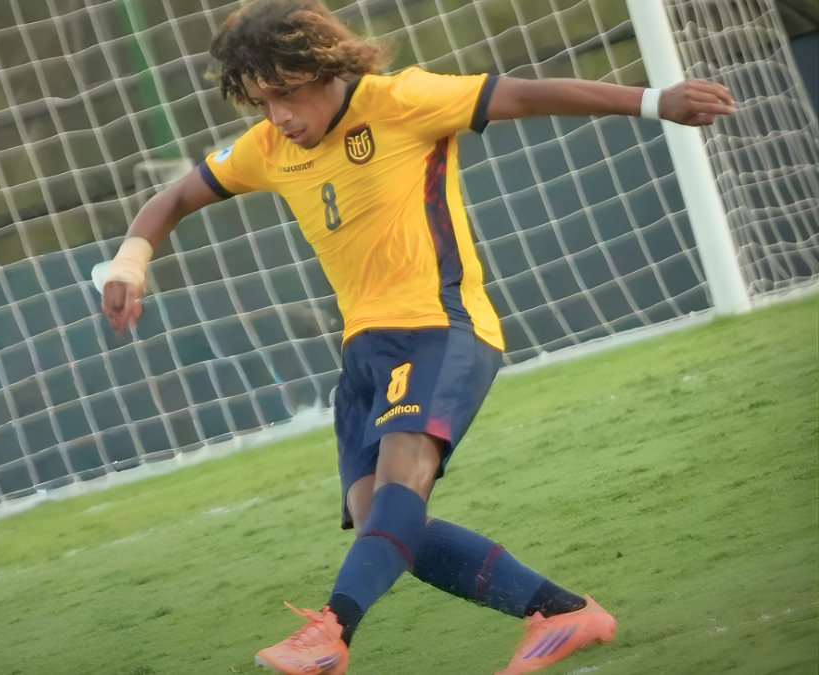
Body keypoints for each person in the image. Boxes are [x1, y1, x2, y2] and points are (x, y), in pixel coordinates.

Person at [99, 1, 735, 673]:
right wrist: (130, 263)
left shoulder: (403, 100)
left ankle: (332, 631)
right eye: (261, 103)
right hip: (364, 355)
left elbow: (528, 93)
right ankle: (565, 611)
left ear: (325, 68)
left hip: (440, 330)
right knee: (386, 518)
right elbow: (170, 199)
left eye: (286, 95)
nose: (278, 116)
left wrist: (652, 100)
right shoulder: (268, 148)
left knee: (402, 492)